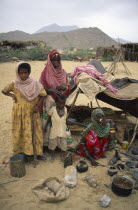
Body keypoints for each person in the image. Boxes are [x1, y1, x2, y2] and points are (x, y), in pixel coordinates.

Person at [2, 62, 46, 160]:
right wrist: (12, 95)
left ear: (29, 72)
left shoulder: (34, 83)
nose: (23, 75)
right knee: (20, 132)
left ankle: (38, 153)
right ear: (18, 73)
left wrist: (38, 106)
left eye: (25, 73)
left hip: (32, 112)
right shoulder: (14, 84)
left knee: (35, 132)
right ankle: (22, 153)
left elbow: (43, 94)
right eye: (21, 73)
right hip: (19, 113)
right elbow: (4, 91)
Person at [39, 50, 70, 146]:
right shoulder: (45, 72)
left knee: (60, 121)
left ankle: (60, 145)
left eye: (58, 60)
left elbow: (67, 86)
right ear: (50, 60)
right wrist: (51, 90)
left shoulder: (63, 72)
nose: (56, 63)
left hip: (60, 100)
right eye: (53, 60)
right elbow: (41, 88)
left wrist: (63, 88)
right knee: (49, 120)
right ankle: (47, 144)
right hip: (50, 100)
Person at [46, 94, 67, 162]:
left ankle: (62, 154)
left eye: (63, 103)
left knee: (63, 143)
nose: (61, 105)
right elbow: (49, 118)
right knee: (53, 143)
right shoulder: (53, 109)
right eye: (60, 103)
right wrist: (46, 126)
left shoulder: (66, 109)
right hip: (54, 129)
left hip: (62, 129)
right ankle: (53, 155)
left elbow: (66, 120)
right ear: (56, 103)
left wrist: (68, 127)